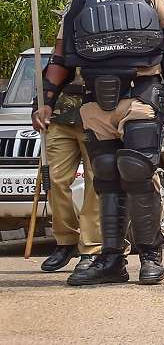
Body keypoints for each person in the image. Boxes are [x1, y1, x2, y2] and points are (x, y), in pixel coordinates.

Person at [33, 0, 164, 286]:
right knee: (105, 176)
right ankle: (110, 260)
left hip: (141, 91)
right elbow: (60, 57)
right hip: (94, 100)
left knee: (136, 171)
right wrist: (45, 101)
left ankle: (151, 256)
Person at [39, 74, 102, 274]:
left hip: (96, 111)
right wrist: (39, 105)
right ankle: (66, 240)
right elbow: (50, 71)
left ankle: (92, 246)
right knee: (55, 179)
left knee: (96, 182)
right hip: (61, 113)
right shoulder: (65, 41)